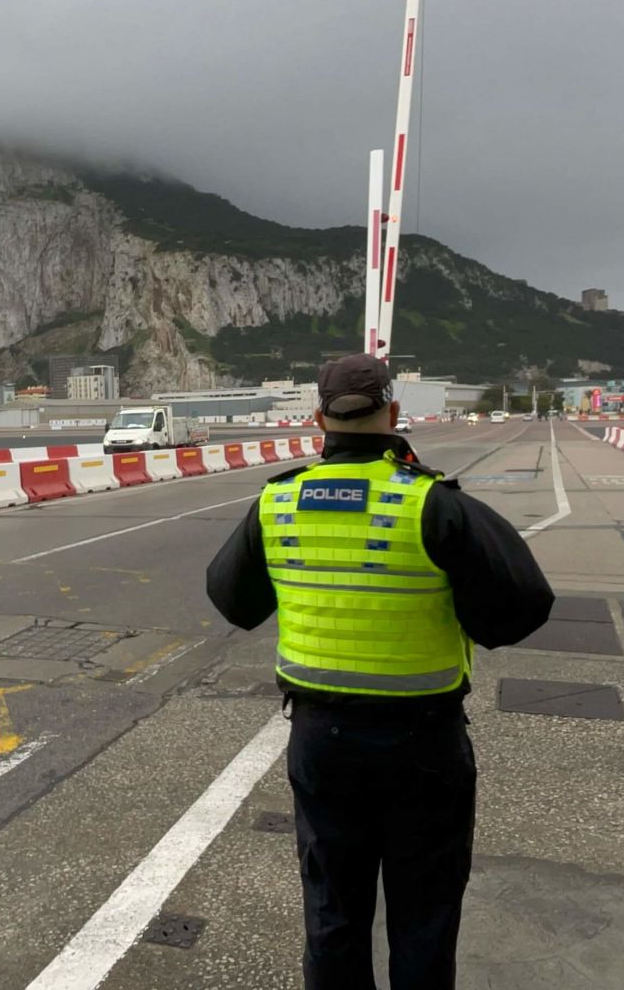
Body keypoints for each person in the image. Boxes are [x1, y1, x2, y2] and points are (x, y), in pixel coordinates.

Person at [206, 354, 555, 989]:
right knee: (424, 914)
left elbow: (233, 600)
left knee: (333, 913)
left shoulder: (278, 503)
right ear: (393, 414)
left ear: (317, 419)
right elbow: (522, 607)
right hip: (423, 744)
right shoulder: (433, 504)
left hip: (320, 742)